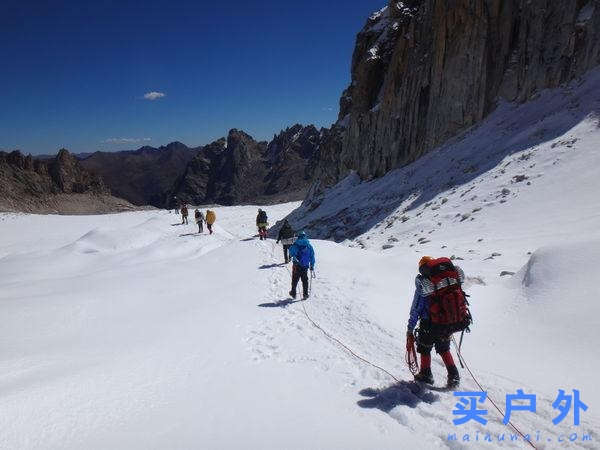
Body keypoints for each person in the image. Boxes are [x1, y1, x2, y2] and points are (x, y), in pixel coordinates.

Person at [406, 256, 471, 389]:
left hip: (429, 323)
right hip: (446, 323)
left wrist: (410, 329)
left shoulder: (425, 285)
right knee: (444, 348)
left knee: (424, 347)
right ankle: (454, 376)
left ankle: (426, 375)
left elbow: (416, 309)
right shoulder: (446, 282)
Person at [288, 231, 315, 300]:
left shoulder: (296, 244)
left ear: (299, 236)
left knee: (295, 279)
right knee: (305, 280)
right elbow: (312, 256)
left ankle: (293, 292)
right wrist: (312, 265)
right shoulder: (309, 245)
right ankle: (305, 294)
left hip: (296, 265)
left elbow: (291, 253)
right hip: (305, 266)